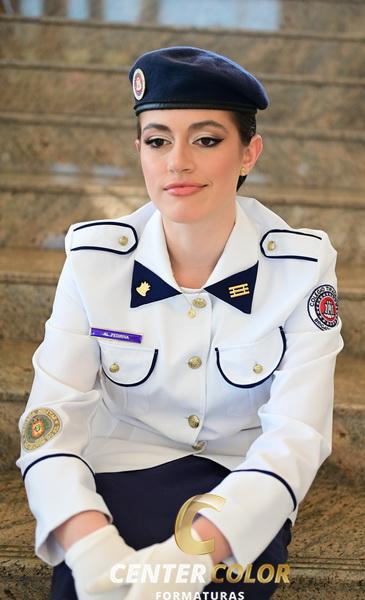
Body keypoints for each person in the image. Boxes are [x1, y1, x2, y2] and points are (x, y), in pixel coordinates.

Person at [16, 46, 343, 600]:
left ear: (249, 153)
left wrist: (192, 556)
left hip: (239, 491)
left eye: (207, 140)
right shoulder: (95, 261)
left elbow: (298, 431)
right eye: (158, 141)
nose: (178, 163)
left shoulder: (300, 267)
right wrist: (88, 541)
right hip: (117, 476)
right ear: (139, 151)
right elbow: (51, 415)